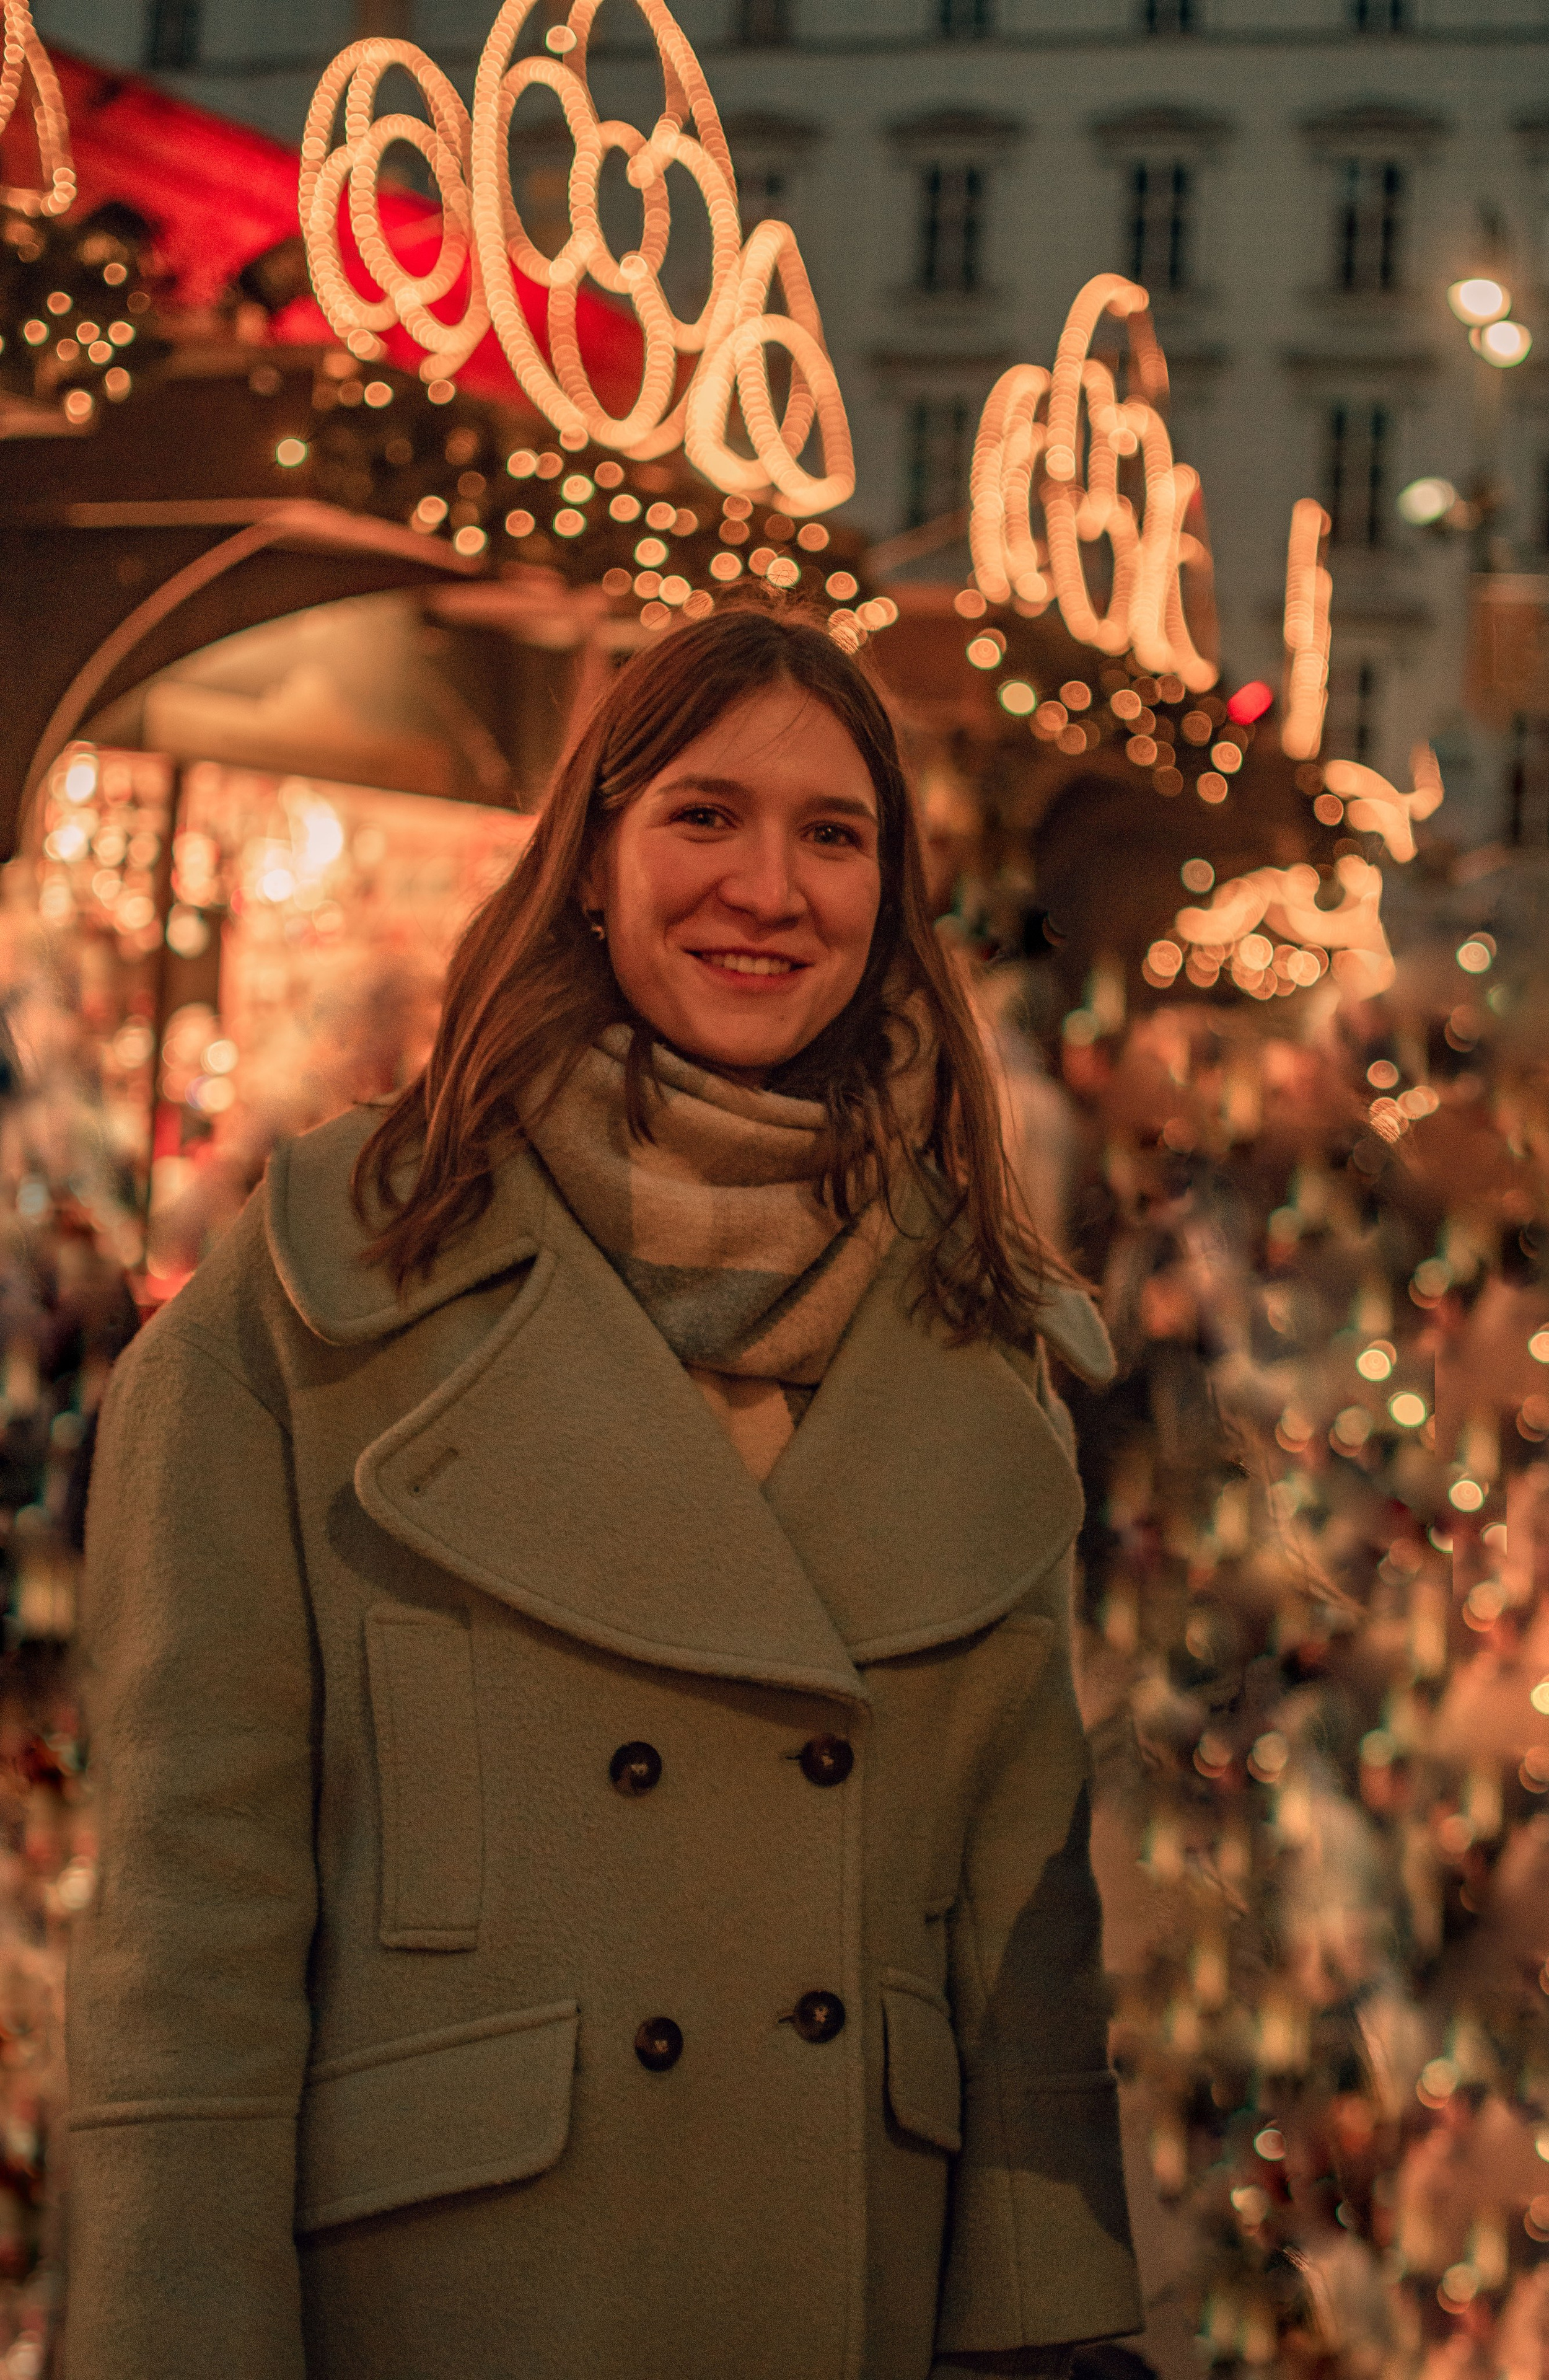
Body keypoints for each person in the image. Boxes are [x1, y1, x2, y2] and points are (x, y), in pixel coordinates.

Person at [64, 603, 1141, 2380]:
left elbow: (1023, 1935)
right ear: (591, 861)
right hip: (454, 2299)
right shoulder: (319, 1306)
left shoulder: (972, 1336)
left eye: (832, 834)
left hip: (842, 2289)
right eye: (703, 816)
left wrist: (1056, 2332)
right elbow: (191, 1944)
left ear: (890, 903)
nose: (768, 888)